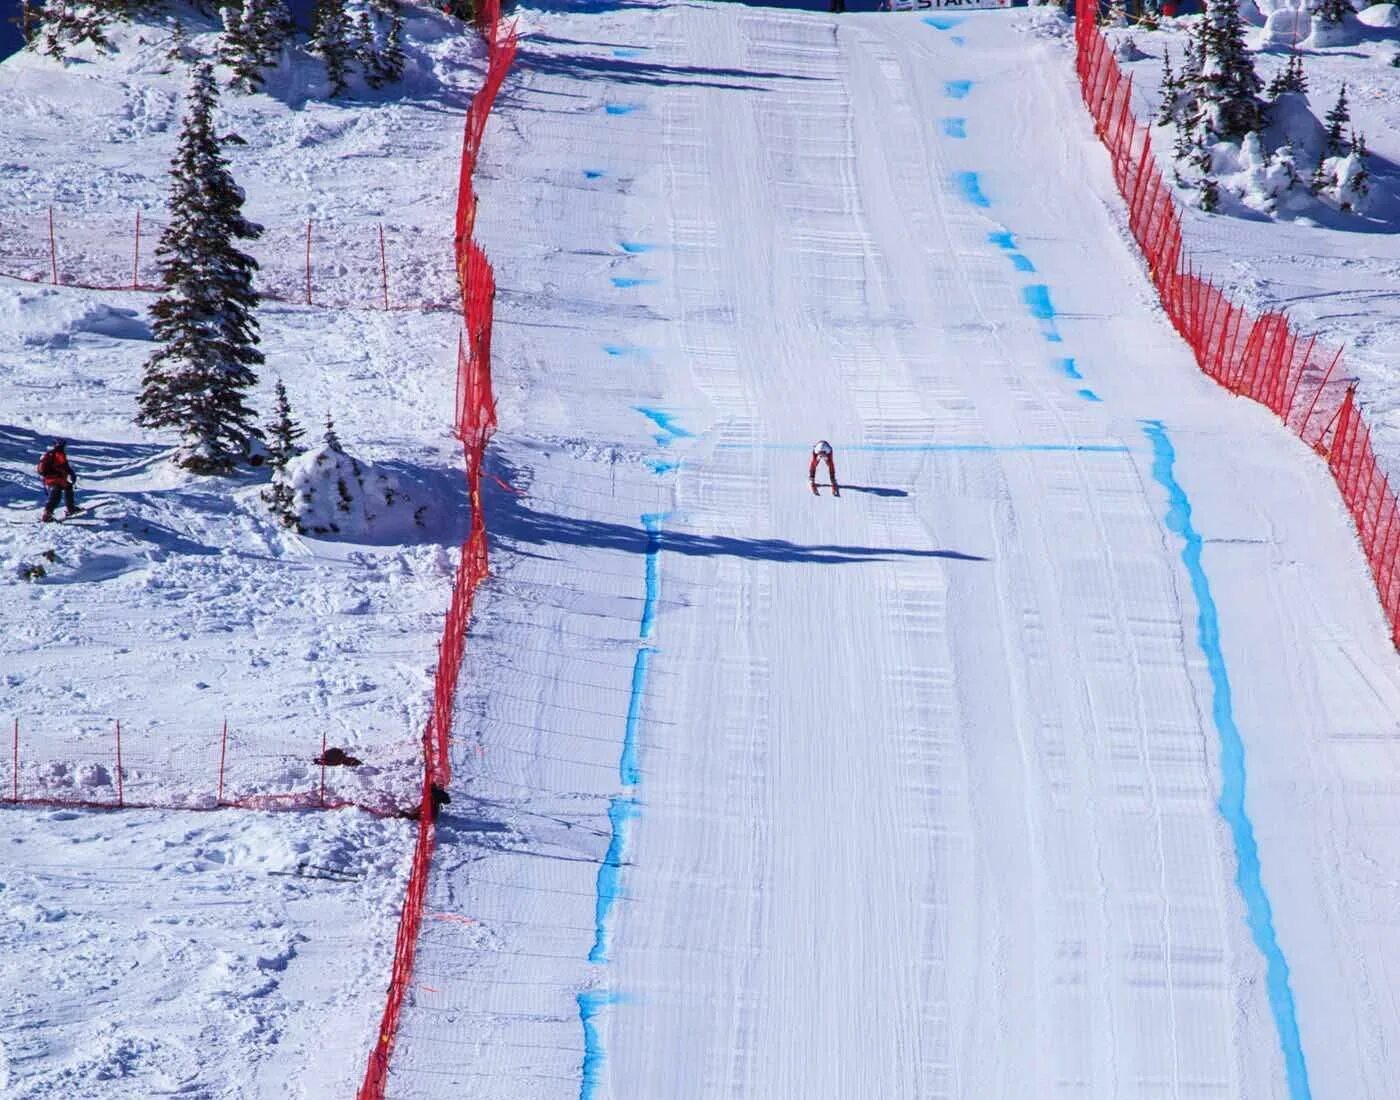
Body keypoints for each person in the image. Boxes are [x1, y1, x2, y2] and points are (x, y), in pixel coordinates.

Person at [37, 439, 78, 522]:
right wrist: (71, 473)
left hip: (50, 478)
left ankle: (70, 508)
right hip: (56, 478)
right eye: (64, 445)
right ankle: (47, 514)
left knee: (67, 487)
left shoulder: (50, 453)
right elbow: (64, 466)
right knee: (56, 496)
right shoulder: (59, 453)